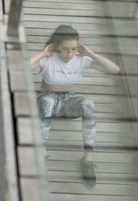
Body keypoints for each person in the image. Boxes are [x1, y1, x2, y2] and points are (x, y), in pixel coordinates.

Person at [29, 24, 120, 187]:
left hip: (67, 102)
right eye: (65, 49)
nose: (70, 54)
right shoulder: (48, 59)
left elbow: (114, 69)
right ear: (56, 47)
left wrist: (91, 53)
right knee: (48, 102)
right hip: (45, 99)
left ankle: (87, 159)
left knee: (88, 104)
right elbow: (22, 67)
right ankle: (41, 153)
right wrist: (43, 53)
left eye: (73, 49)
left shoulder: (80, 59)